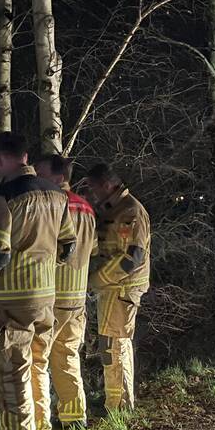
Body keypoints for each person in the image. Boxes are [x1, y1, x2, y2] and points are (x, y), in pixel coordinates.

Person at [0, 132, 76, 430]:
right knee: (39, 365)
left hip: (10, 300)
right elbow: (67, 246)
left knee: (11, 372)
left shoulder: (0, 198)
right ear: (26, 156)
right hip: (47, 297)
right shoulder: (57, 194)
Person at [35, 154, 97, 430]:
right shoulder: (88, 209)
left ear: (58, 178)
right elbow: (93, 250)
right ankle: (74, 418)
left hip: (51, 296)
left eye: (41, 174)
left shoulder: (51, 205)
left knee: (37, 361)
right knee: (68, 358)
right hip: (77, 297)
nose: (36, 179)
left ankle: (37, 426)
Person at [85, 164, 150, 413]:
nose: (91, 194)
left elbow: (132, 258)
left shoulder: (130, 212)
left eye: (93, 188)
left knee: (116, 345)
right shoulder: (115, 211)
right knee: (110, 345)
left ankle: (120, 406)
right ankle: (116, 403)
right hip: (114, 288)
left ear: (106, 185)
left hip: (122, 289)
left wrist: (96, 280)